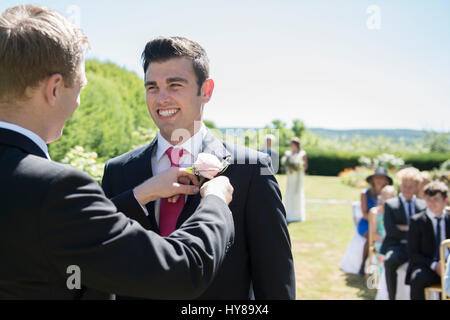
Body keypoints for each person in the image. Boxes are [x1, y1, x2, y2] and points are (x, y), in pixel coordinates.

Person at [0, 5, 235, 300]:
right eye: (80, 86)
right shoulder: (55, 190)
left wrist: (139, 194)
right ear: (55, 89)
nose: (79, 101)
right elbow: (181, 271)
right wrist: (214, 202)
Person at [101, 37, 296, 300]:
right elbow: (102, 263)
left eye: (175, 85)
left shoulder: (251, 170)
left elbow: (275, 277)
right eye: (152, 87)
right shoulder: (118, 171)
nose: (161, 98)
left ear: (206, 90)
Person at [380, 167, 427, 300]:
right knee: (390, 261)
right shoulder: (390, 204)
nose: (406, 189)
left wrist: (406, 228)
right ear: (400, 185)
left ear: (417, 187)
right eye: (404, 186)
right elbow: (391, 230)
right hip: (397, 245)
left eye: (410, 187)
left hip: (418, 248)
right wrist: (413, 233)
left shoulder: (422, 205)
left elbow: (424, 230)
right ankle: (392, 297)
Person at [406, 181, 449, 300]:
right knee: (418, 277)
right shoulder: (417, 221)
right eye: (428, 199)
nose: (431, 203)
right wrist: (435, 265)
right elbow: (412, 253)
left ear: (445, 201)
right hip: (428, 266)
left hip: (449, 265)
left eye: (436, 199)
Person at [358, 167, 392, 276]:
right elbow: (364, 213)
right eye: (377, 177)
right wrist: (375, 220)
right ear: (372, 180)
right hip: (367, 222)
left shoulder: (389, 194)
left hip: (385, 223)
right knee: (370, 238)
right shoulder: (365, 193)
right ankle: (363, 265)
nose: (379, 180)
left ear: (386, 181)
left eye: (382, 178)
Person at [369, 185, 397, 279]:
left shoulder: (397, 212)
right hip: (381, 242)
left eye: (391, 198)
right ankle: (383, 282)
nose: (387, 201)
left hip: (395, 242)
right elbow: (373, 235)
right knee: (384, 253)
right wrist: (386, 240)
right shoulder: (375, 212)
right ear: (381, 198)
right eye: (385, 198)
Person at [281, 137, 308, 223]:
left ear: (296, 145)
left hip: (298, 176)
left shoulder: (303, 153)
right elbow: (284, 164)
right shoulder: (288, 153)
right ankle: (288, 214)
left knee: (297, 193)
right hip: (290, 176)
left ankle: (297, 215)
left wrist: (298, 168)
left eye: (292, 144)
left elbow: (305, 166)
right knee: (289, 193)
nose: (291, 145)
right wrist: (289, 167)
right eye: (290, 144)